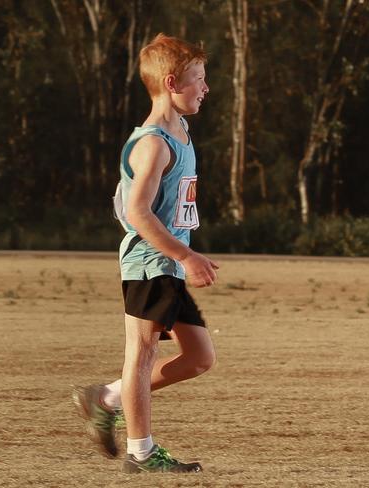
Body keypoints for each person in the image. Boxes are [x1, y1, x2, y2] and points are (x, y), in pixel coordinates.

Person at [73, 33, 219, 474]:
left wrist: (183, 257)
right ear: (172, 82)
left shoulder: (181, 130)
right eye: (198, 79)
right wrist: (188, 256)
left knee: (199, 358)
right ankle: (141, 452)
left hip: (168, 264)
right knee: (141, 354)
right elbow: (137, 211)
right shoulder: (153, 142)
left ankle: (109, 398)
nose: (206, 88)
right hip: (148, 263)